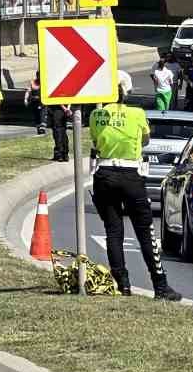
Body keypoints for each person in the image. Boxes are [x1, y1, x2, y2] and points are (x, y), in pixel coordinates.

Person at [89, 89, 183, 300]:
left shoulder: (96, 115)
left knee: (113, 231)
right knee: (145, 231)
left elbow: (96, 142)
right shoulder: (137, 113)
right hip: (131, 173)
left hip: (104, 173)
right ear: (125, 95)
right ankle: (160, 286)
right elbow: (145, 139)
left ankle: (123, 285)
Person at [47, 96, 71, 162]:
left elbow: (57, 98)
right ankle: (65, 154)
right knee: (63, 132)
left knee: (58, 133)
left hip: (57, 110)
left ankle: (60, 154)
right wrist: (67, 108)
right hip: (63, 110)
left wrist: (65, 109)